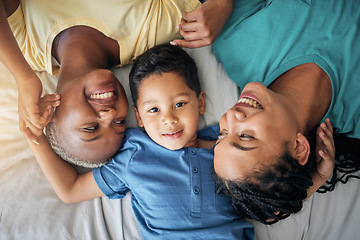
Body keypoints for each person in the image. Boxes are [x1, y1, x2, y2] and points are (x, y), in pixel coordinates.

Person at [26, 44, 254, 239]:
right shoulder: (134, 155)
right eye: (154, 109)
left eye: (180, 104)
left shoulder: (227, 145)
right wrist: (36, 137)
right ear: (139, 117)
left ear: (200, 103)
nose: (168, 119)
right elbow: (70, 190)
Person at [1, 0, 233, 168]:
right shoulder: (150, 30)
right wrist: (223, 4)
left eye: (91, 128)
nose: (109, 114)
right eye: (120, 122)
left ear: (52, 112)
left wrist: (23, 77)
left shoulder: (25, 48)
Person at [210, 0, 360, 224]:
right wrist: (317, 178)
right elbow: (274, 215)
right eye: (246, 136)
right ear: (299, 148)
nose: (231, 116)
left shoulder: (235, 42)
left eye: (222, 134)